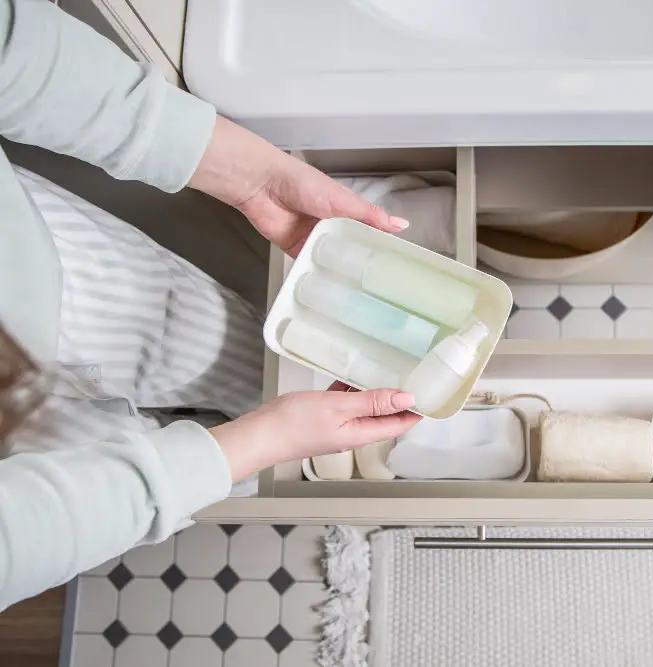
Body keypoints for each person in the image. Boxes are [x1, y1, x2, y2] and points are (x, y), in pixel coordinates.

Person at [0, 0, 421, 610]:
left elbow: (15, 50)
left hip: (48, 261)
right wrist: (260, 444)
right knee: (227, 460)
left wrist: (250, 177)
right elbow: (25, 534)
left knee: (242, 368)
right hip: (23, 453)